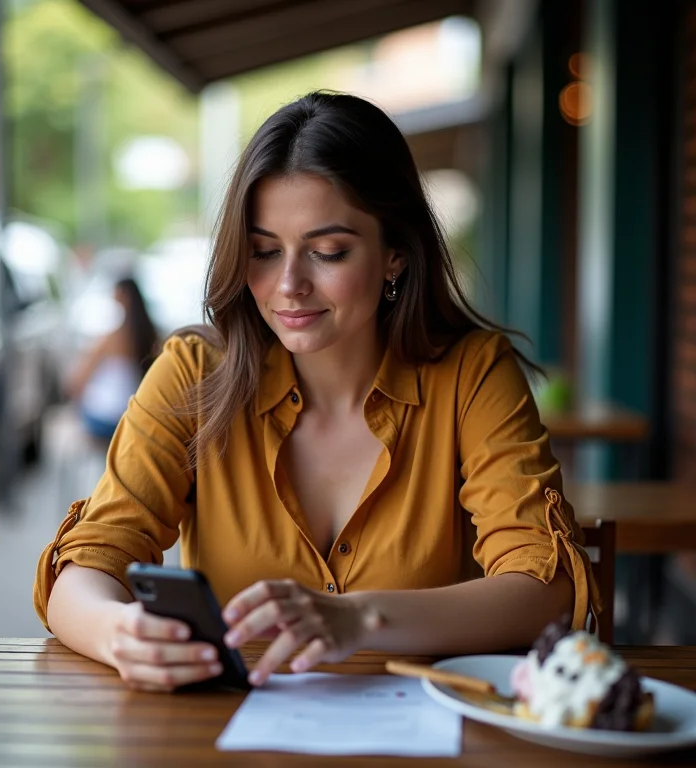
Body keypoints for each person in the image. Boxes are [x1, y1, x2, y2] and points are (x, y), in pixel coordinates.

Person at [35, 92, 600, 693]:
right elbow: (88, 562)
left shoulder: (473, 375)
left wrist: (359, 617)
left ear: (395, 257)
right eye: (264, 251)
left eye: (328, 252)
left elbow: (544, 588)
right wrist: (119, 633)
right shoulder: (193, 376)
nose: (288, 285)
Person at [66, 277, 158, 441]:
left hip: (107, 419)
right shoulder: (151, 335)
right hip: (136, 413)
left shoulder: (112, 337)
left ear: (123, 296)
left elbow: (77, 380)